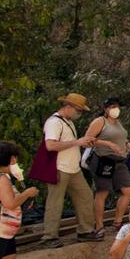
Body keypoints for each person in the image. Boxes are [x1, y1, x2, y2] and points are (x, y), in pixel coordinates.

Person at [40, 92, 99, 245]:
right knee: (55, 202)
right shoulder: (54, 122)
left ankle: (85, 230)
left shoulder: (68, 122)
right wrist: (77, 143)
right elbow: (50, 145)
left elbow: (71, 143)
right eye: (78, 110)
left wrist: (83, 143)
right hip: (59, 168)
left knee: (85, 196)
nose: (79, 114)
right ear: (68, 107)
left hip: (73, 168)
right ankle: (49, 236)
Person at [86, 97, 130, 231]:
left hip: (119, 160)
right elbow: (87, 139)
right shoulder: (100, 121)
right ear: (106, 109)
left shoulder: (118, 123)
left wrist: (128, 145)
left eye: (118, 107)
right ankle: (99, 225)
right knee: (103, 192)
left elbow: (122, 137)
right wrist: (107, 143)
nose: (116, 109)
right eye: (113, 107)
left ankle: (117, 222)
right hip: (103, 159)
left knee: (128, 190)